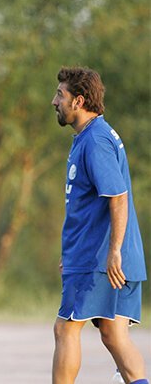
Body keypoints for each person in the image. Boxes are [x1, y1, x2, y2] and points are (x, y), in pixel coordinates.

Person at [50, 66, 147, 384]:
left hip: (102, 259)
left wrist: (114, 251)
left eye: (60, 95)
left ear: (78, 101)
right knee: (113, 334)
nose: (54, 101)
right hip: (102, 256)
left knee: (65, 328)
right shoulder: (90, 136)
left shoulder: (96, 141)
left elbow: (118, 196)